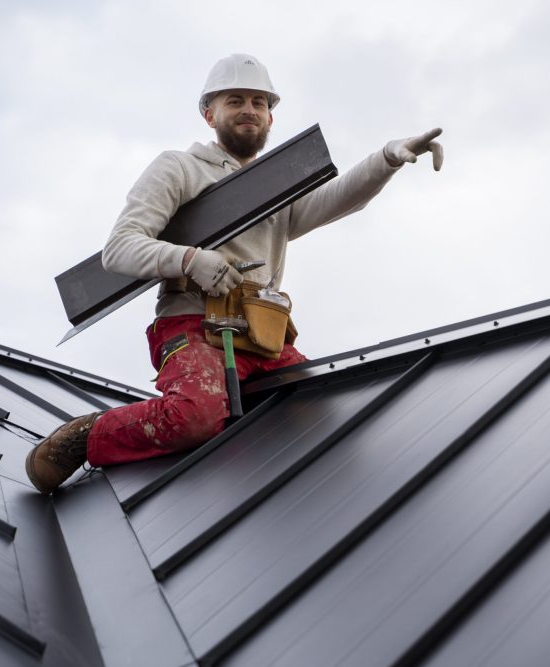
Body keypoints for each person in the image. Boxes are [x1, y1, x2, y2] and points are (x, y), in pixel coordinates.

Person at [25, 54, 443, 494]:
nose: (249, 110)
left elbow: (336, 198)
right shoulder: (179, 168)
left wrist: (388, 158)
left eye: (259, 103)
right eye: (236, 100)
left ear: (270, 118)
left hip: (262, 335)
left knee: (318, 408)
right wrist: (191, 261)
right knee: (195, 416)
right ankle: (87, 436)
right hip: (194, 327)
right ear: (210, 113)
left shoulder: (275, 184)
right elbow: (120, 248)